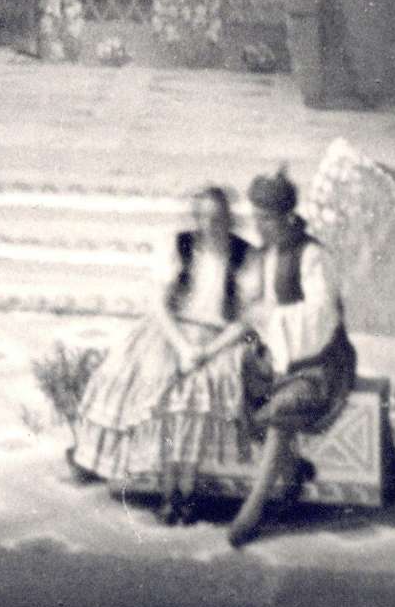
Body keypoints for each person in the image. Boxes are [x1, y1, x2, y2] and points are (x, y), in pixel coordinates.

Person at [67, 187, 256, 524]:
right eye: (203, 217)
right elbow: (158, 306)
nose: (210, 225)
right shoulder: (179, 247)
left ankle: (187, 492)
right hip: (172, 333)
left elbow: (246, 320)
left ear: (229, 217)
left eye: (218, 217)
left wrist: (207, 352)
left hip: (220, 341)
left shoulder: (245, 256)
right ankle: (170, 492)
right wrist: (183, 348)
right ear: (195, 218)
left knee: (195, 405)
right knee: (162, 397)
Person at [226, 167, 357, 549]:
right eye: (256, 217)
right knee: (239, 383)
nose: (259, 226)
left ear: (286, 217)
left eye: (266, 219)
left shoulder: (312, 255)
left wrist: (273, 318)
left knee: (284, 408)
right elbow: (255, 305)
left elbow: (323, 315)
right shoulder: (266, 254)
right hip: (280, 353)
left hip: (320, 360)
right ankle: (293, 468)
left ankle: (253, 508)